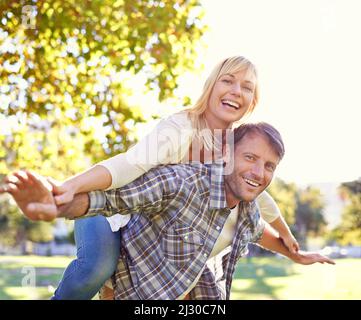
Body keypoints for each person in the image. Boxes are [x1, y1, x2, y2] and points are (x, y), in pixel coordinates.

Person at [1, 56, 299, 300]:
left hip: (148, 232)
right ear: (211, 86)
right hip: (111, 210)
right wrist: (67, 188)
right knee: (97, 267)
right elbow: (128, 165)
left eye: (247, 87)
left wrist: (285, 233)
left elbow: (259, 195)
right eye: (228, 80)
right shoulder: (180, 128)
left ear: (253, 100)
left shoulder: (234, 147)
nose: (236, 90)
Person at [0, 122, 334, 300]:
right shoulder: (182, 180)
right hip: (119, 250)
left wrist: (297, 255)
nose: (259, 172)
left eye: (269, 166)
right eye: (250, 158)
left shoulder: (247, 210)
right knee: (95, 266)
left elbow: (260, 231)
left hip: (167, 283)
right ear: (226, 155)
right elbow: (108, 199)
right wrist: (55, 203)